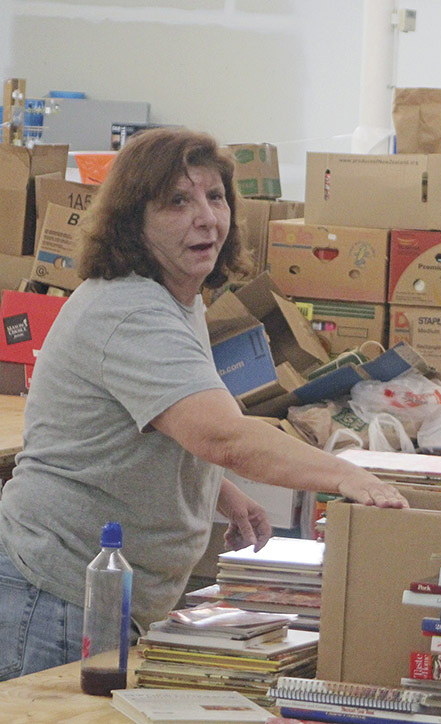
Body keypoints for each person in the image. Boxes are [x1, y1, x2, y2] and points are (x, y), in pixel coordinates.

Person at [0, 127, 408, 680]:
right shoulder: (131, 312)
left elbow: (159, 423)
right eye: (178, 201)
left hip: (101, 591)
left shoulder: (177, 297)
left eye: (215, 197)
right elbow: (220, 434)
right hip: (58, 592)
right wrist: (346, 476)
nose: (207, 218)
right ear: (131, 220)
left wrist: (220, 490)